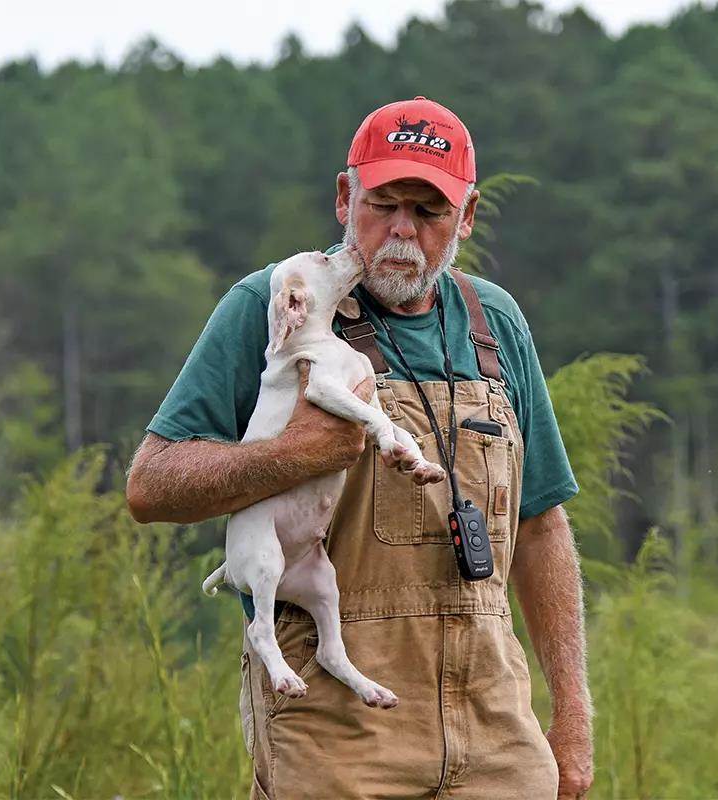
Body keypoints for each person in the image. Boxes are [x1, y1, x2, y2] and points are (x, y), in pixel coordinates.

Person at [126, 96, 593, 799]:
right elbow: (150, 485)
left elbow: (541, 526)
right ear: (345, 199)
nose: (402, 231)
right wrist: (297, 452)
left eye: (429, 211)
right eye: (383, 204)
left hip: (496, 725)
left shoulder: (495, 323)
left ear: (465, 218)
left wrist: (574, 715)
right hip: (333, 725)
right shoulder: (274, 303)